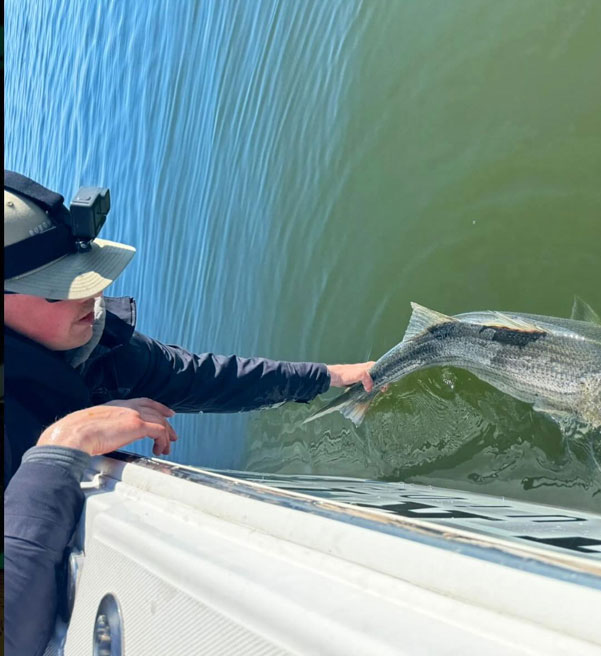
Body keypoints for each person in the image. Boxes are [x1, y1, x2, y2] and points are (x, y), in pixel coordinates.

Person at [3, 170, 375, 655]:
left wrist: (329, 376)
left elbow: (198, 376)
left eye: (86, 271)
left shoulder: (87, 338)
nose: (91, 294)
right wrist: (63, 446)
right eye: (59, 287)